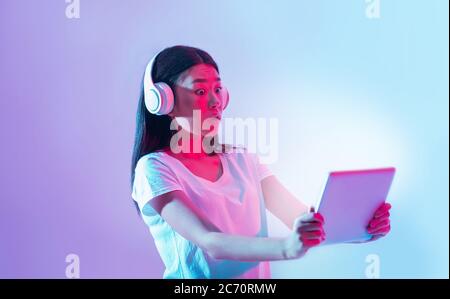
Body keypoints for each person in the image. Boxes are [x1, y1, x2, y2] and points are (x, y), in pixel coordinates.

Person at [130, 45, 392, 279]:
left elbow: (299, 218)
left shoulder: (243, 159)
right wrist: (287, 248)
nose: (215, 102)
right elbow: (211, 241)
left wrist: (360, 229)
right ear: (163, 101)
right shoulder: (155, 168)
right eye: (200, 90)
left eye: (218, 89)